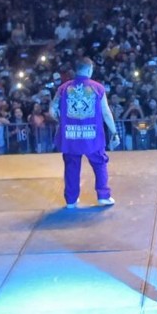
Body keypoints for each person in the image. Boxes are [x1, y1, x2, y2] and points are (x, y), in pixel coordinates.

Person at [49, 57, 119, 208]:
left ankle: (71, 200)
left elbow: (52, 110)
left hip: (70, 135)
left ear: (76, 70)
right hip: (91, 136)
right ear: (90, 69)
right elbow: (106, 113)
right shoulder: (98, 88)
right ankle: (103, 196)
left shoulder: (63, 88)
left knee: (71, 167)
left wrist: (62, 121)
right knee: (100, 164)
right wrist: (114, 132)